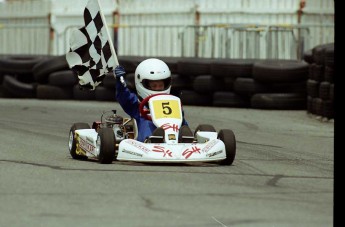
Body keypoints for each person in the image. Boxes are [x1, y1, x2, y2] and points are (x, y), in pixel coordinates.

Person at [114, 58, 192, 142]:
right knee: (148, 123)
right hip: (146, 143)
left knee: (182, 126)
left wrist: (184, 127)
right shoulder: (137, 105)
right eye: (154, 86)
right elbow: (124, 97)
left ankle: (186, 140)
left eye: (160, 85)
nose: (158, 89)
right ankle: (153, 140)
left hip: (173, 136)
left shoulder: (173, 103)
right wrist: (120, 83)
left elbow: (182, 123)